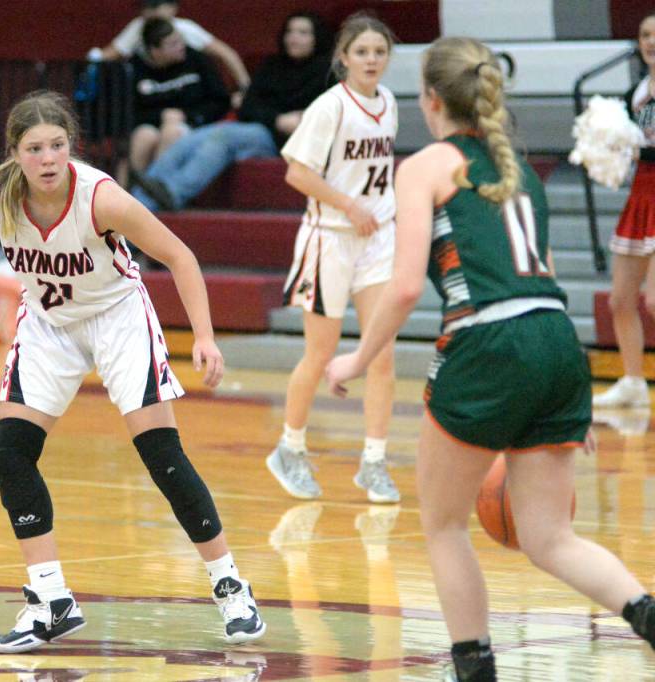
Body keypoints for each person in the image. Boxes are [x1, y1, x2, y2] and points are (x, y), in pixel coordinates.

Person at [324, 36, 655, 682]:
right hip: (556, 341)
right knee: (550, 538)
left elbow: (406, 286)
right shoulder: (518, 169)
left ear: (430, 99)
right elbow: (545, 276)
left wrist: (357, 358)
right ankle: (646, 613)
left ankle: (475, 670)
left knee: (444, 525)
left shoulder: (424, 166)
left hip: (487, 341)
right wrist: (568, 403)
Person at [0, 90, 266, 653]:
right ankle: (51, 598)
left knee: (162, 455)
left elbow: (180, 256)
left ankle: (230, 585)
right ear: (15, 153)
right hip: (49, 324)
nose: (47, 158)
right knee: (10, 455)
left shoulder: (101, 198)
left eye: (56, 145)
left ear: (70, 146)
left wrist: (203, 335)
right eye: (34, 148)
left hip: (116, 317)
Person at [266, 13, 400, 504]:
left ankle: (374, 461)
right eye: (362, 51)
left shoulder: (389, 102)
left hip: (377, 239)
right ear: (344, 57)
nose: (371, 60)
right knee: (320, 353)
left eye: (379, 52)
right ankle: (289, 448)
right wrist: (348, 204)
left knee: (382, 353)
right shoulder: (330, 107)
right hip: (331, 240)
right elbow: (297, 173)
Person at [131, 11, 334, 212]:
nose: (294, 38)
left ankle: (172, 194)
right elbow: (248, 106)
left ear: (317, 37)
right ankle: (135, 203)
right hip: (262, 127)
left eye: (303, 33)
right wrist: (278, 119)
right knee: (191, 139)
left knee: (222, 137)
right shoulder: (272, 65)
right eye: (290, 31)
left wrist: (296, 121)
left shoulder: (328, 72)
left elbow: (330, 114)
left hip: (283, 141)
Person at [592, 11, 655, 410]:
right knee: (620, 299)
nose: (651, 41)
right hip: (642, 193)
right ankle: (633, 381)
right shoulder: (637, 93)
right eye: (645, 34)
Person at [127, 18, 231, 186]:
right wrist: (161, 115)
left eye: (181, 40)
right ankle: (129, 192)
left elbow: (221, 101)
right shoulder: (134, 68)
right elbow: (128, 113)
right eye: (173, 44)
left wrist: (187, 116)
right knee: (144, 136)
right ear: (155, 51)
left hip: (192, 123)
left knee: (172, 132)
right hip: (150, 123)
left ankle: (156, 191)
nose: (181, 46)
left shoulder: (197, 59)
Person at [93, 0, 250, 105]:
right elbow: (108, 54)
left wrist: (246, 90)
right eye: (147, 7)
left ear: (172, 8)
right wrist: (91, 62)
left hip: (186, 98)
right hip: (153, 100)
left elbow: (226, 54)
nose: (150, 12)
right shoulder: (138, 27)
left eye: (156, 7)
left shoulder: (185, 28)